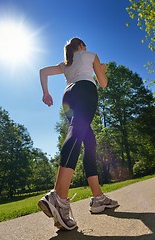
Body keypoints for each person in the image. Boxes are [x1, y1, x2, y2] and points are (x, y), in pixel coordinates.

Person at [38, 37, 118, 231]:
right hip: (85, 90)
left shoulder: (66, 63)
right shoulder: (91, 55)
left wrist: (46, 93)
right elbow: (104, 83)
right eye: (85, 46)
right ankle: (59, 196)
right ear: (81, 46)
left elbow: (43, 71)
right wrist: (102, 70)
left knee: (89, 142)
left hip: (68, 96)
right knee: (77, 133)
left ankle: (98, 198)